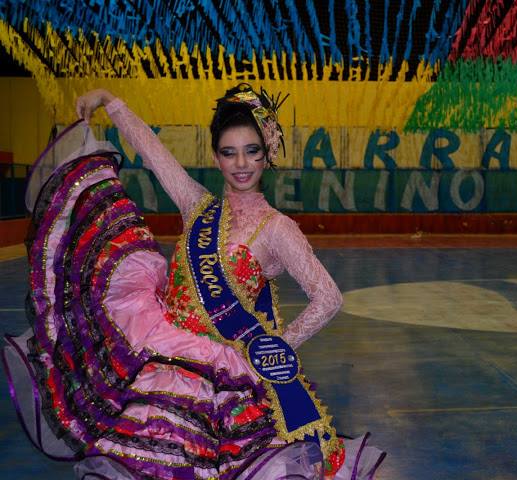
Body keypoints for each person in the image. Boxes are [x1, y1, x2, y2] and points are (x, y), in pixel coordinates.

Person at [5, 84, 384, 480]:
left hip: (220, 371)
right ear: (216, 157)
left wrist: (274, 350)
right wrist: (109, 101)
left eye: (252, 150)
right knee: (152, 458)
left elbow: (328, 297)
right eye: (229, 152)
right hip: (162, 350)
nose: (241, 163)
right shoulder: (197, 204)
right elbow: (153, 152)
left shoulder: (277, 228)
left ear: (267, 153)